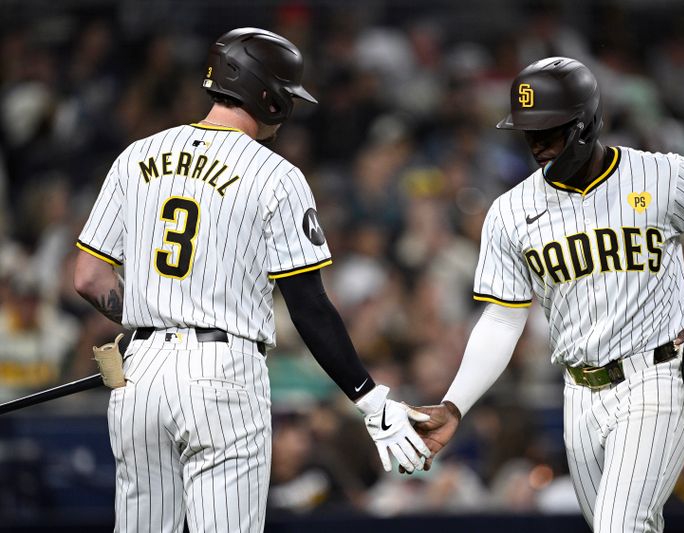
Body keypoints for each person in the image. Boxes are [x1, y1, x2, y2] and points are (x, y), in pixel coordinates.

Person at [72, 27, 429, 532]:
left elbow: (88, 276)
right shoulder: (275, 175)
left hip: (139, 373)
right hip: (222, 372)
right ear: (269, 96)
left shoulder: (137, 155)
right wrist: (369, 399)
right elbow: (308, 305)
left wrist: (151, 326)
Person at [412, 57, 684, 533]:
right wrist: (454, 405)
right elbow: (502, 320)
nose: (537, 145)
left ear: (587, 123)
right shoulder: (511, 212)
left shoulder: (662, 176)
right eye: (528, 134)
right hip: (578, 393)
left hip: (658, 375)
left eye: (549, 132)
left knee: (620, 525)